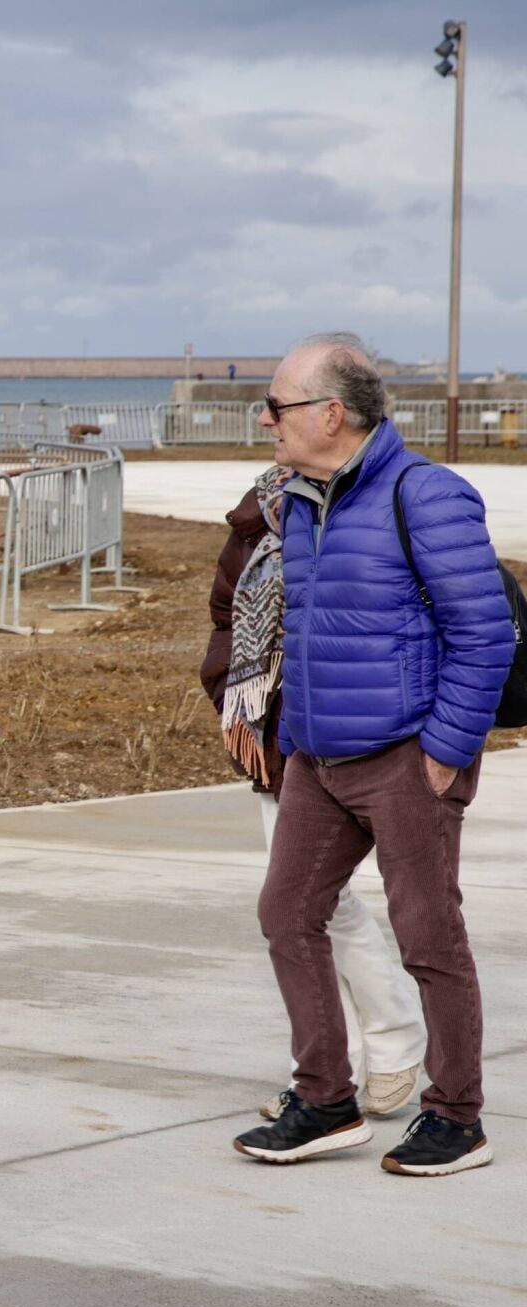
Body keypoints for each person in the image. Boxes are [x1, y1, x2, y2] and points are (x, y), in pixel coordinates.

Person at [230, 333, 510, 1176]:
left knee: (428, 934)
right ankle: (325, 1099)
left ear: (331, 414)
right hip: (319, 757)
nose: (265, 421)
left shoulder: (426, 494)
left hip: (406, 755)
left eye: (276, 406)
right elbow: (304, 629)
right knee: (287, 912)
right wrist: (293, 737)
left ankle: (456, 1116)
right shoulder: (299, 500)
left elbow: (485, 633)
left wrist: (445, 748)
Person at [201, 461, 426, 1123]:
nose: (269, 424)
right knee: (306, 905)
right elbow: (224, 613)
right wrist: (234, 693)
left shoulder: (379, 500)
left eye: (280, 414)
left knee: (341, 905)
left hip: (372, 732)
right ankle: (337, 1068)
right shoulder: (259, 511)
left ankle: (389, 1041)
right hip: (278, 733)